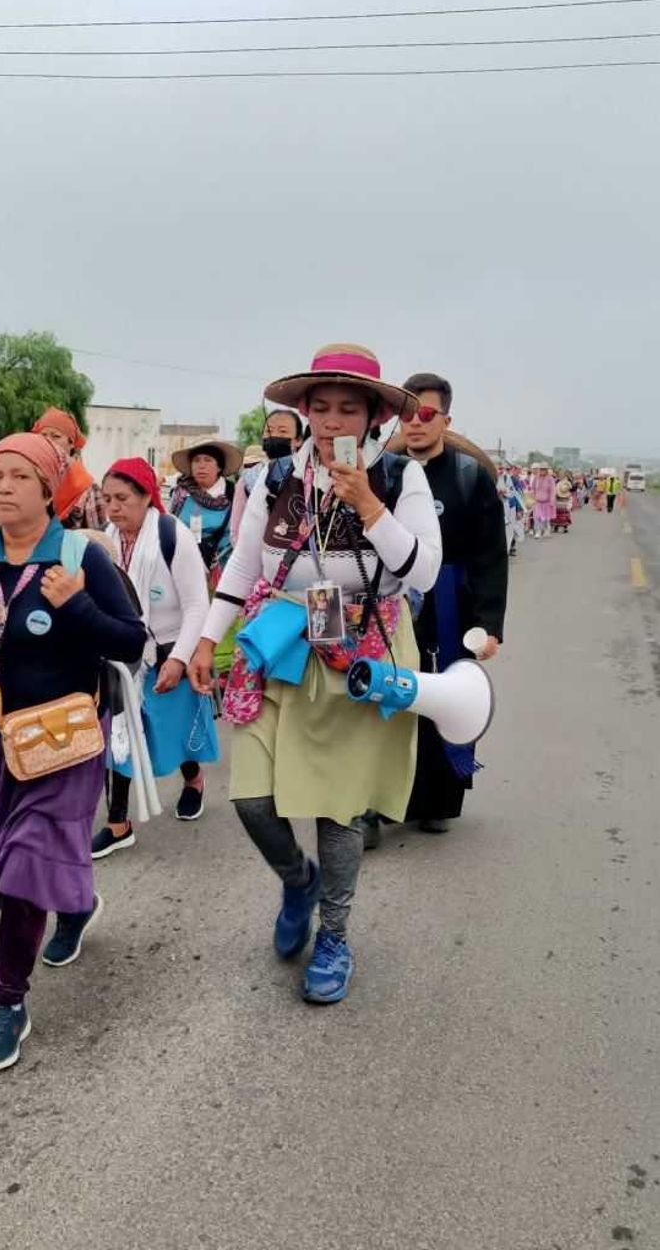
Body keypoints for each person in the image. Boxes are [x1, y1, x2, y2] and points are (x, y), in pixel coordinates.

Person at [189, 343, 442, 1005]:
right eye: (322, 408)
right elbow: (243, 567)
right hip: (282, 646)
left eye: (348, 410)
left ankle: (334, 935)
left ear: (374, 419)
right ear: (303, 411)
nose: (333, 423)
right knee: (249, 796)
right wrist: (205, 641)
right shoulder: (275, 479)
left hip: (365, 651)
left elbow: (422, 572)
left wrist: (368, 506)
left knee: (337, 809)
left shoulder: (398, 478)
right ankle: (295, 880)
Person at [0, 433, 144, 1073]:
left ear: (50, 489)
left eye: (20, 476)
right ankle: (76, 903)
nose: (3, 487)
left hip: (67, 740)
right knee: (30, 849)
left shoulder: (80, 557)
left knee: (25, 860)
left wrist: (74, 604)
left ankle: (7, 1002)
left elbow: (130, 642)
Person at [396, 373, 508, 838]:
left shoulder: (470, 477)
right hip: (395, 604)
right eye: (407, 414)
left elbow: (490, 555)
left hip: (450, 607)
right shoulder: (383, 473)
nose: (416, 424)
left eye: (426, 414)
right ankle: (378, 803)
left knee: (445, 698)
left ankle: (439, 802)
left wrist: (489, 623)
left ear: (445, 420)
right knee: (393, 694)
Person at [90, 456, 218, 862]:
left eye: (123, 498)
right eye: (108, 498)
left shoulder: (171, 535)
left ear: (147, 496)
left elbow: (199, 605)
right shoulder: (107, 540)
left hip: (167, 650)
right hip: (124, 657)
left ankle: (193, 779)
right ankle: (117, 824)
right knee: (122, 735)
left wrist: (180, 659)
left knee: (172, 730)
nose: (113, 507)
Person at [168, 436, 242, 579]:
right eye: (196, 460)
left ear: (219, 466)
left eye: (208, 460)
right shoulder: (180, 494)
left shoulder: (234, 495)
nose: (201, 466)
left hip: (224, 573)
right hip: (184, 570)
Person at [32, 405, 107, 530]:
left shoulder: (86, 488)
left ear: (71, 443)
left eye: (55, 436)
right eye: (43, 435)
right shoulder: (28, 478)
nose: (48, 441)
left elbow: (97, 538)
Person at [531, 463, 557, 538]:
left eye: (544, 469)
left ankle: (546, 530)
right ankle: (538, 531)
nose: (542, 471)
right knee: (537, 517)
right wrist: (533, 497)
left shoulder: (550, 479)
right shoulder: (536, 478)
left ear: (546, 470)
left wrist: (552, 500)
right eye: (541, 469)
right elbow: (532, 488)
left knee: (546, 518)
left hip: (547, 502)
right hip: (538, 502)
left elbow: (553, 490)